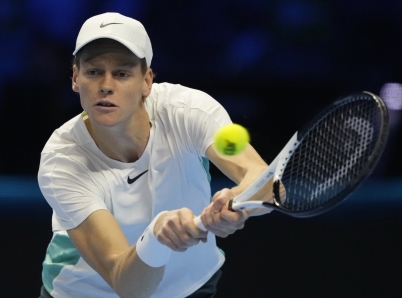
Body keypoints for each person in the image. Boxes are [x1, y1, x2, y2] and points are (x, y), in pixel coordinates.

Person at [37, 12, 273, 298]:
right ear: (75, 77)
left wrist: (236, 203)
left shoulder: (190, 111)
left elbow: (264, 182)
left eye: (122, 73)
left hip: (191, 285)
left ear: (147, 80)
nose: (106, 85)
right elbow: (127, 285)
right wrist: (157, 239)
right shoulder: (61, 160)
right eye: (93, 71)